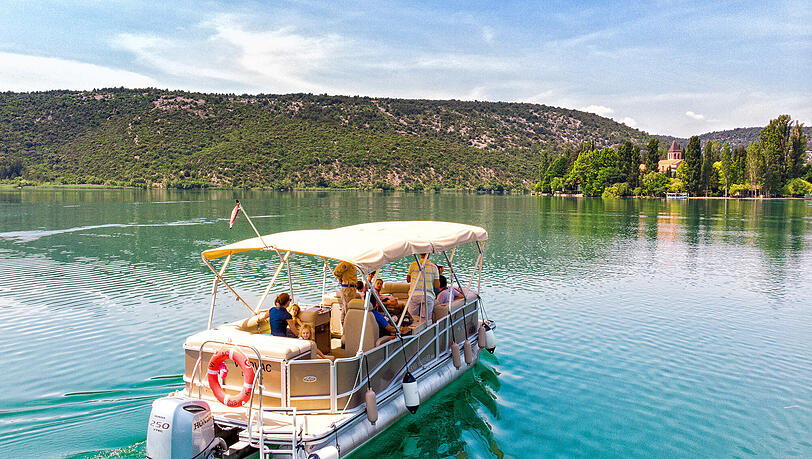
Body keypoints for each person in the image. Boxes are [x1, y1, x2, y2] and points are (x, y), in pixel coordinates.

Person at [405, 253, 440, 321]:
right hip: (428, 295)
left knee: (412, 318)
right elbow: (437, 285)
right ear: (428, 254)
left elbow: (408, 280)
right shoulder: (434, 267)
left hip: (414, 294)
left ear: (420, 254)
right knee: (426, 320)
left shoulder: (413, 265)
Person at [333, 261, 360, 326]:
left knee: (345, 307)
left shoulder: (351, 263)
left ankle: (345, 325)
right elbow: (336, 271)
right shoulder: (347, 263)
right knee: (348, 308)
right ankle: (348, 326)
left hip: (351, 288)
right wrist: (340, 279)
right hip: (348, 288)